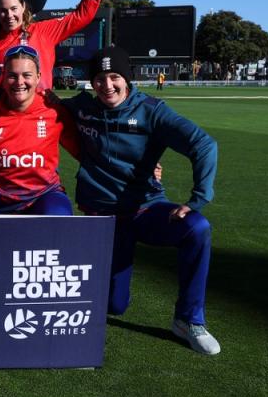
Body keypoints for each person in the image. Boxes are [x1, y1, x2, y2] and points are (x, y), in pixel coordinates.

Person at [61, 46, 221, 355]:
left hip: (144, 210)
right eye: (99, 79)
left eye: (114, 77)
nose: (107, 86)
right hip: (103, 218)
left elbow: (203, 143)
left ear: (128, 79)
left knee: (196, 228)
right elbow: (43, 103)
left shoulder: (152, 111)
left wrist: (198, 198)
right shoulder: (81, 108)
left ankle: (188, 320)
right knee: (114, 305)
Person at [0, 45, 78, 214]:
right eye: (12, 76)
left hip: (44, 195)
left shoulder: (55, 112)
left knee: (58, 219)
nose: (20, 82)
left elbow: (82, 152)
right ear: (3, 78)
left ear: (38, 77)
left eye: (27, 75)